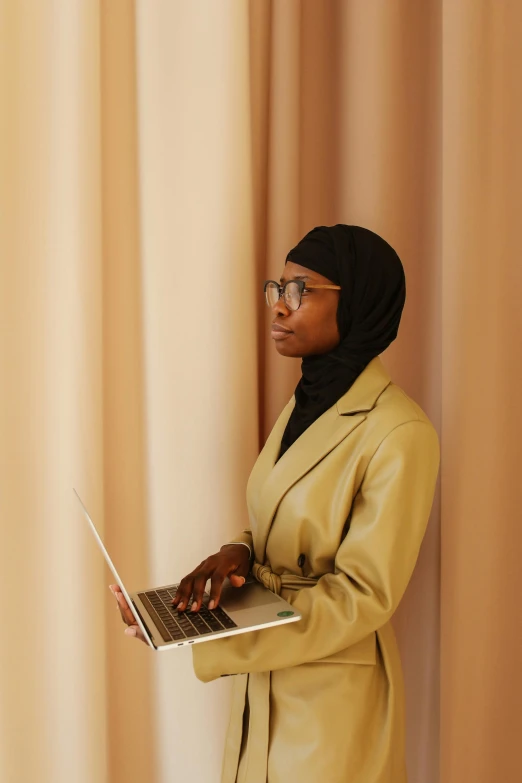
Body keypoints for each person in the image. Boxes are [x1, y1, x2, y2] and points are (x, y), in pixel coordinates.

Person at [110, 224, 440, 783]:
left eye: (301, 290)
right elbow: (278, 524)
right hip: (262, 694)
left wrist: (206, 634)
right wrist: (235, 554)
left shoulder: (400, 432)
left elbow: (363, 596)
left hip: (331, 705)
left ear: (356, 299)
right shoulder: (305, 404)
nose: (279, 307)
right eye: (277, 287)